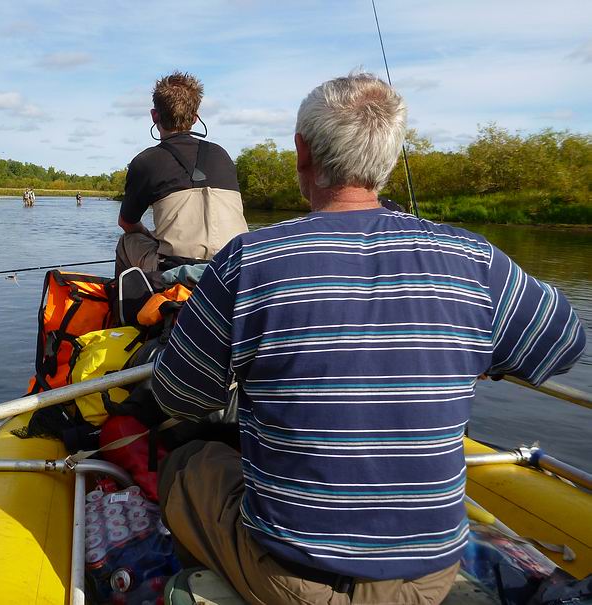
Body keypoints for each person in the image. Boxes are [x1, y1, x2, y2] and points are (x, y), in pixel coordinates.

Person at [152, 72, 586, 605]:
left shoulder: (250, 259)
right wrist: (469, 350)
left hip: (292, 579)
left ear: (302, 151)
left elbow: (178, 396)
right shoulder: (475, 261)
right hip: (429, 580)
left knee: (188, 463)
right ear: (388, 156)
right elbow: (565, 343)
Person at [115, 71, 248, 277]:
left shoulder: (146, 161)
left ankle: (122, 298)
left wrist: (151, 237)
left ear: (154, 115)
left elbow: (127, 223)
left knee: (127, 241)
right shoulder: (222, 155)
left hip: (177, 270)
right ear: (195, 118)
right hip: (235, 267)